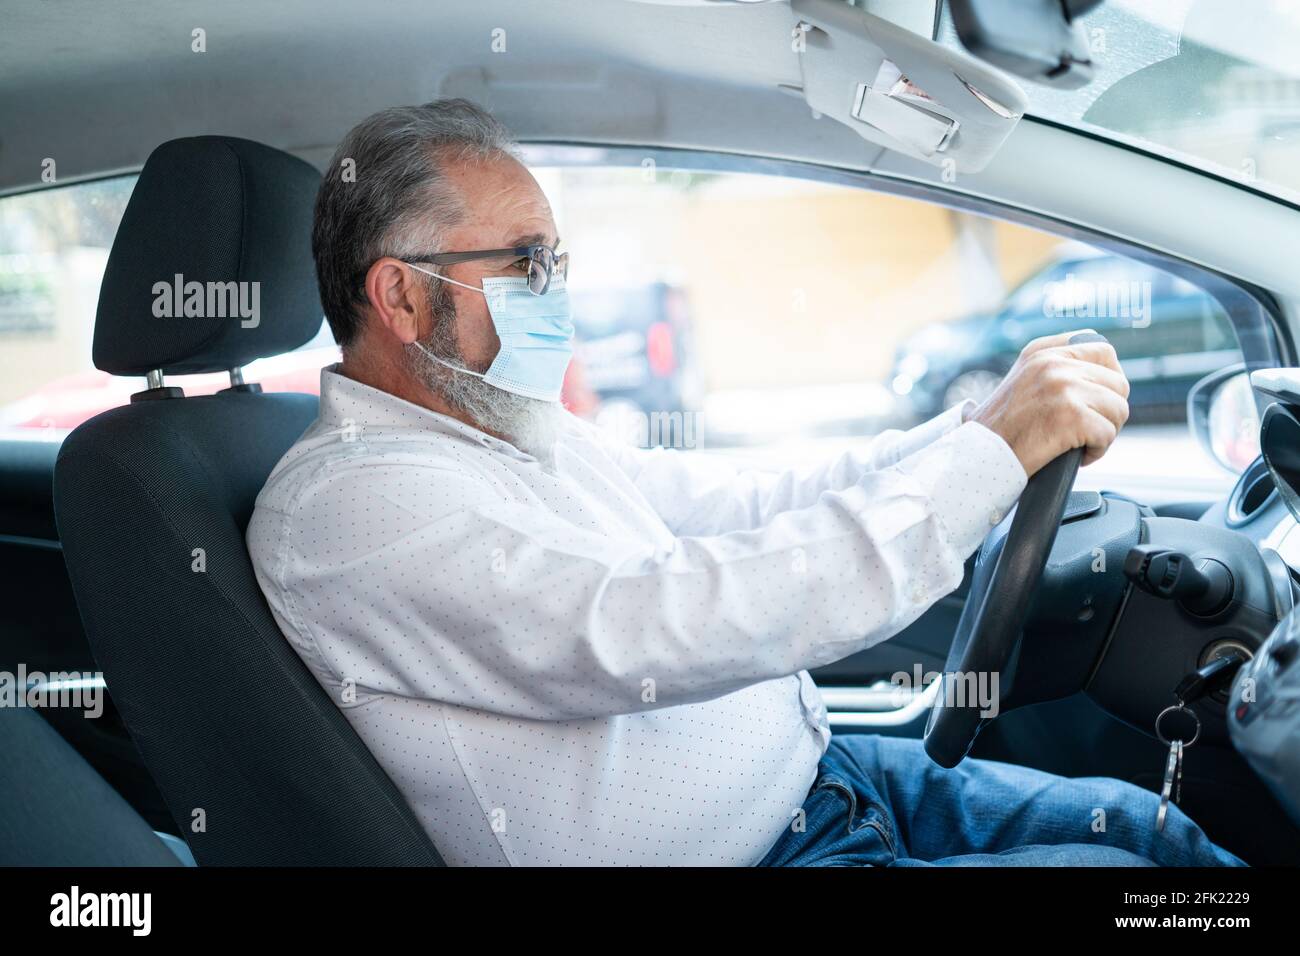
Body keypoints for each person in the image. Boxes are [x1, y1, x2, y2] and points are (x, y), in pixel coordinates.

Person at [247, 99, 1241, 866]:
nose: (559, 287)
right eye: (527, 262)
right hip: (770, 855)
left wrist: (981, 430)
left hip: (833, 782)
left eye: (558, 258)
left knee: (1155, 837)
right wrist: (984, 464)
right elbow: (656, 621)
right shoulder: (348, 505)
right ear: (403, 295)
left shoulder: (502, 430)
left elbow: (742, 504)